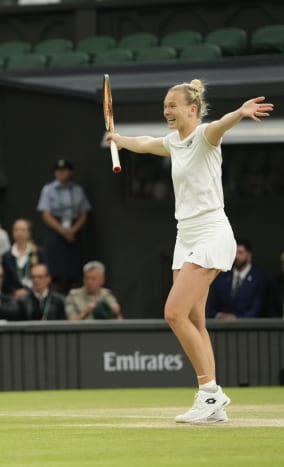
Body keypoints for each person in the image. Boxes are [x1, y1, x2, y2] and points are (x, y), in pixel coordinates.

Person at [106, 79, 273, 424]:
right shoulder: (173, 142)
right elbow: (146, 143)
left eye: (173, 105)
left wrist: (240, 113)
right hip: (185, 235)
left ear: (192, 109)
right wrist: (120, 141)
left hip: (212, 232)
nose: (167, 111)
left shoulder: (205, 136)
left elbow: (219, 125)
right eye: (165, 105)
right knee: (195, 319)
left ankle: (209, 394)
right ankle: (211, 401)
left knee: (174, 313)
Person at [36, 158, 91, 294]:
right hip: (56, 232)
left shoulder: (78, 190)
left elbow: (84, 213)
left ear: (70, 172)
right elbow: (46, 214)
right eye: (58, 171)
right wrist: (62, 230)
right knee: (55, 273)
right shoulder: (48, 190)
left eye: (64, 171)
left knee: (74, 272)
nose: (60, 174)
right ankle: (55, 303)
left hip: (73, 233)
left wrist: (73, 230)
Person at [207, 239, 267, 319]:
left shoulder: (259, 279)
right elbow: (212, 307)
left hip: (248, 328)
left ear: (249, 255)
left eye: (240, 252)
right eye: (234, 253)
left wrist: (237, 319)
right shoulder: (222, 277)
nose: (236, 256)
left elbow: (257, 309)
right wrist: (220, 315)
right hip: (221, 327)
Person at [1, 218, 40, 298]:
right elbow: (5, 281)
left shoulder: (38, 253)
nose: (19, 233)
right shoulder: (7, 256)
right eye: (16, 230)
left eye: (23, 230)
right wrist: (14, 292)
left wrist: (30, 291)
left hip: (35, 295)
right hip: (13, 297)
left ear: (29, 233)